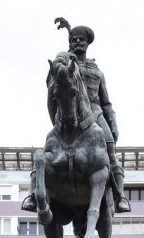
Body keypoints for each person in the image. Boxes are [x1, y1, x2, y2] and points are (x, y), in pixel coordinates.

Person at [21, 19, 129, 214]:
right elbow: (51, 83)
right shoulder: (65, 63)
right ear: (69, 42)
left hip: (95, 113)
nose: (78, 42)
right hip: (69, 111)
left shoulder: (98, 71)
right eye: (74, 39)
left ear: (87, 44)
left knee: (111, 151)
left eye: (81, 39)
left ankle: (120, 196)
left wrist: (112, 123)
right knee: (46, 151)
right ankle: (33, 194)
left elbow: (106, 102)